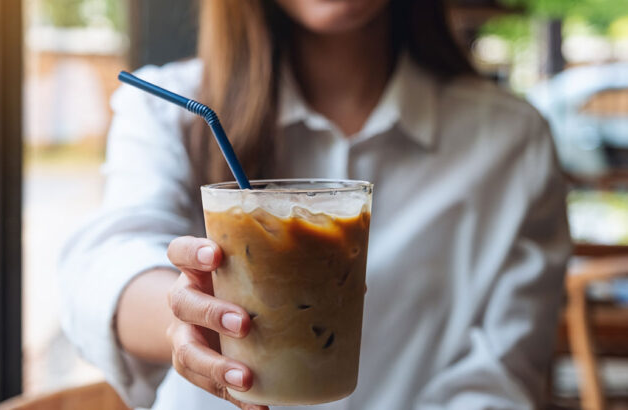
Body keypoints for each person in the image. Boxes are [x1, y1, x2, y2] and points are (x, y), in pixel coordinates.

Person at [58, 0, 572, 409]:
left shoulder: (510, 142)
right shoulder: (166, 108)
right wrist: (184, 320)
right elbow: (105, 265)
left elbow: (500, 375)